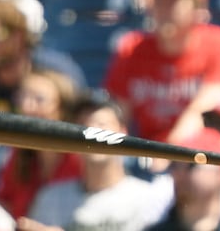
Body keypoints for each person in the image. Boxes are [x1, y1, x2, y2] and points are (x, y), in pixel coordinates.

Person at [103, 0, 220, 145]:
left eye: (173, 0)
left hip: (200, 156)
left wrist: (166, 154)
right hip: (146, 153)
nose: (162, 7)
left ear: (198, 6)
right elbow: (119, 114)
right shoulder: (131, 48)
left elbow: (203, 111)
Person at [18, 96, 163, 231]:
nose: (94, 134)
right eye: (84, 126)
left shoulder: (147, 199)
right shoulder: (51, 199)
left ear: (122, 132)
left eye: (102, 125)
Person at [0, 68, 82, 219]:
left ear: (63, 109)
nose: (27, 108)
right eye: (22, 98)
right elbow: (4, 207)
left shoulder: (81, 160)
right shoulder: (18, 156)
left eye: (39, 100)